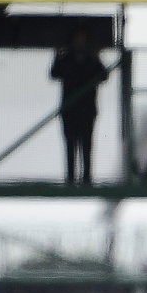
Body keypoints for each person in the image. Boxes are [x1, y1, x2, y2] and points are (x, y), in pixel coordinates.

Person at [49, 26, 108, 187]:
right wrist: (57, 56)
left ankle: (87, 178)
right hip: (70, 108)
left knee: (86, 144)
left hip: (87, 109)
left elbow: (103, 76)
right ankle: (71, 178)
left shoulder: (91, 59)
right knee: (70, 144)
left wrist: (97, 58)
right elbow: (55, 74)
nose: (79, 41)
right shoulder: (66, 58)